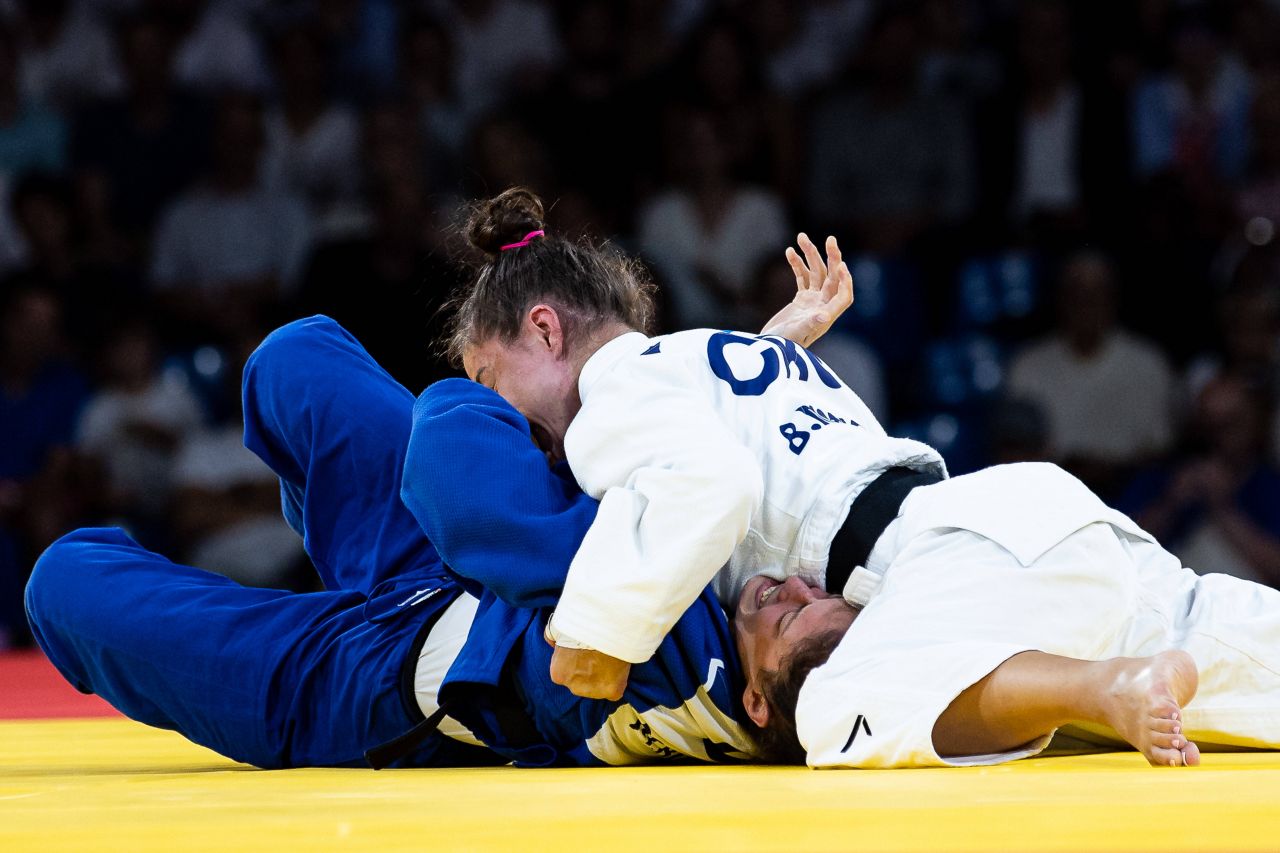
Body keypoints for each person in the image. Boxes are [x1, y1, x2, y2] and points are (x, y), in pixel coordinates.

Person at [25, 257, 845, 769]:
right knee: (293, 355)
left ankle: (341, 581)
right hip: (446, 559)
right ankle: (359, 551)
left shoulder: (686, 667)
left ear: (757, 707)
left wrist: (529, 411)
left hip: (377, 679)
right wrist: (770, 353)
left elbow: (467, 450)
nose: (789, 591)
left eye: (789, 620)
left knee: (63, 582)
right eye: (817, 596)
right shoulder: (763, 584)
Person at [450, 187, 931, 702]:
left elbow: (717, 483)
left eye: (490, 381)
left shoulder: (603, 400)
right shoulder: (699, 350)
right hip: (921, 517)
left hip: (884, 565)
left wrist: (598, 638)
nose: (502, 416)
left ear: (545, 330)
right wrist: (773, 343)